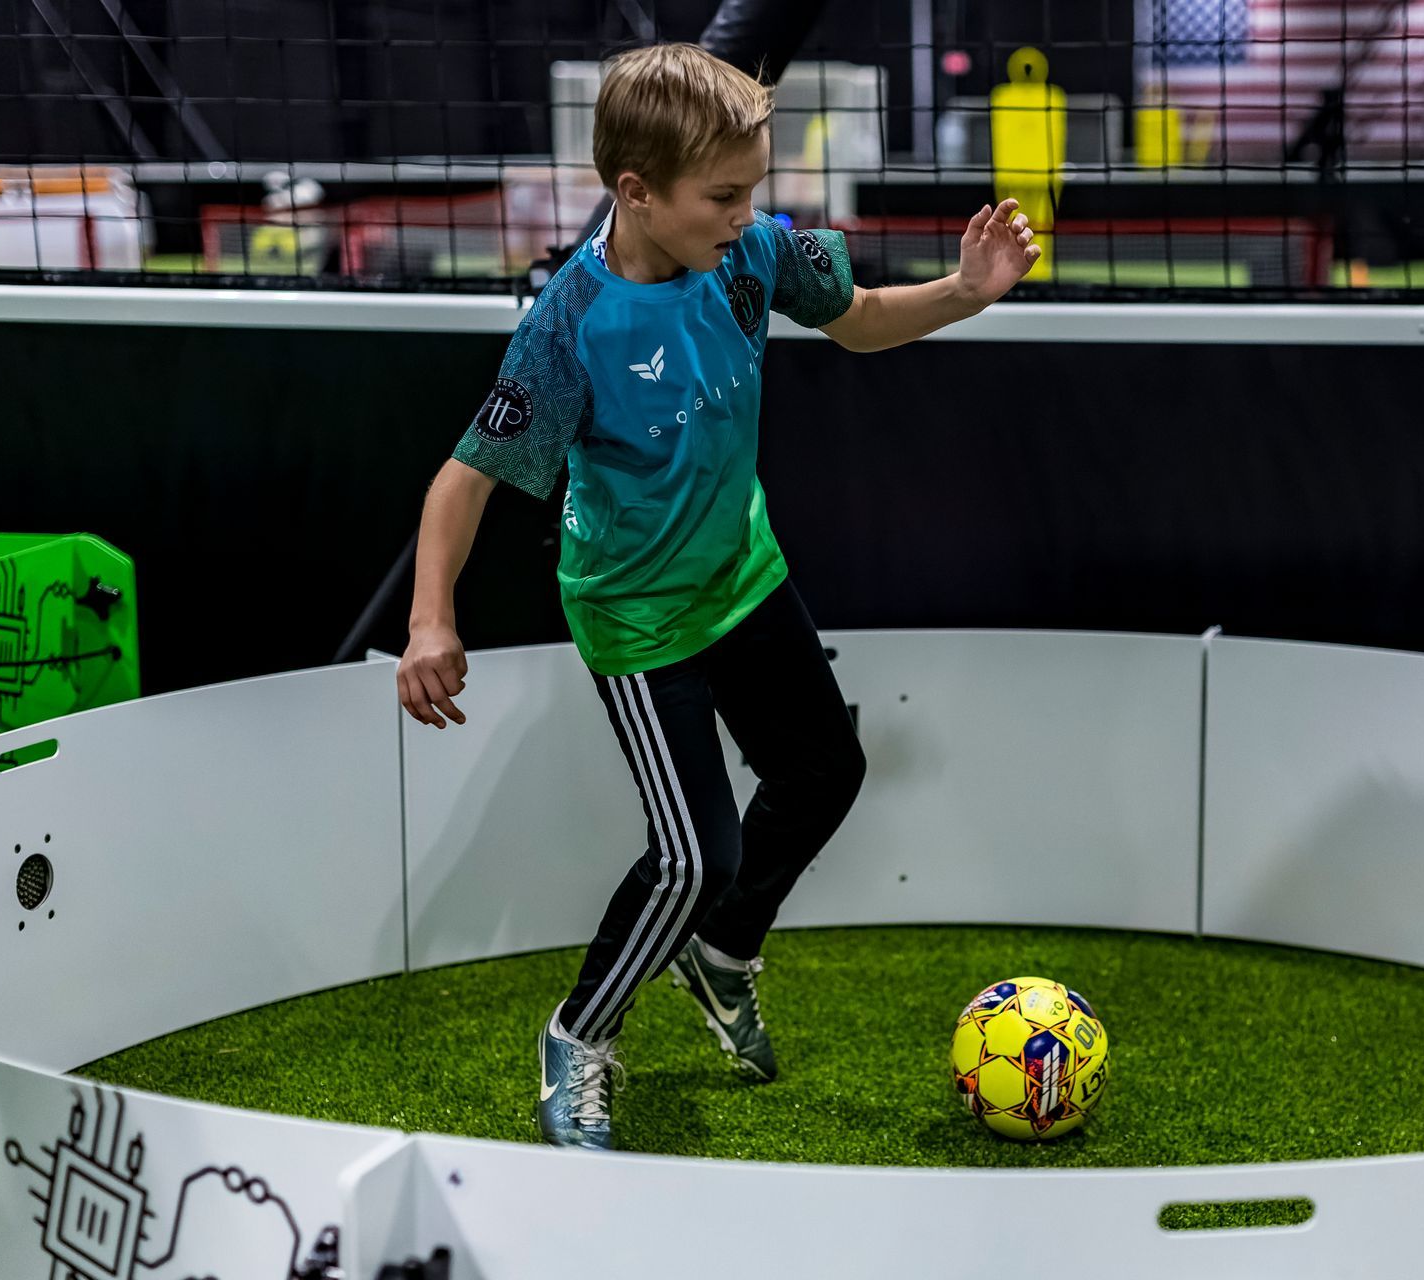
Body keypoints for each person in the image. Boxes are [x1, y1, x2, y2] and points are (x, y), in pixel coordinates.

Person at [396, 41, 1040, 1151]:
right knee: (694, 852)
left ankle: (724, 949)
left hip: (744, 574)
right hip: (640, 618)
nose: (750, 214)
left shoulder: (750, 255)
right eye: (726, 195)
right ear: (635, 192)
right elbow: (464, 477)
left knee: (825, 767)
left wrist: (964, 293)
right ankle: (580, 1035)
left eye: (757, 188)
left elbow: (860, 317)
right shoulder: (571, 325)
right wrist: (429, 619)